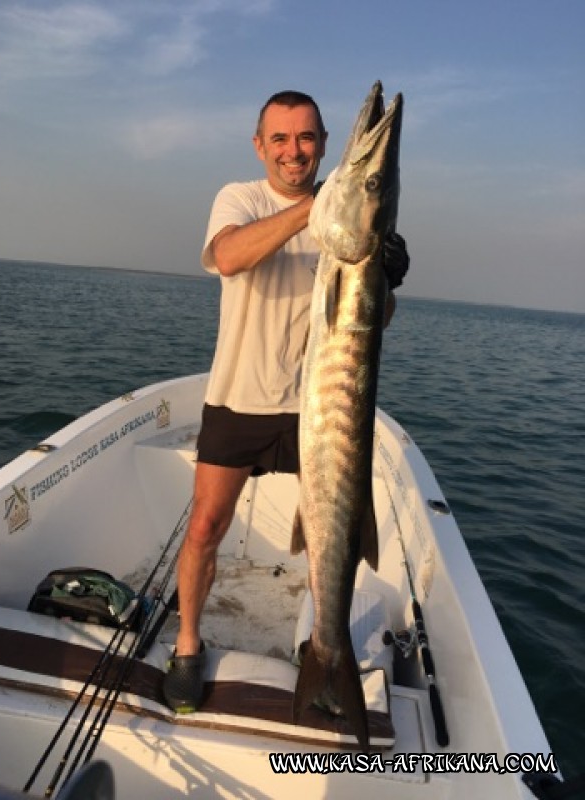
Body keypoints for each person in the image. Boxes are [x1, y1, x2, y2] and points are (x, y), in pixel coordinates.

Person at [162, 90, 409, 713]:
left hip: (320, 414)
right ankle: (188, 646)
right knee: (205, 528)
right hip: (239, 399)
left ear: (324, 144)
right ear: (260, 145)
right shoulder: (241, 198)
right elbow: (228, 256)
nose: (293, 150)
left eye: (305, 138)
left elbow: (372, 323)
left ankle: (322, 644)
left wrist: (383, 273)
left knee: (338, 533)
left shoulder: (346, 215)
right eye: (281, 138)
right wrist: (325, 212)